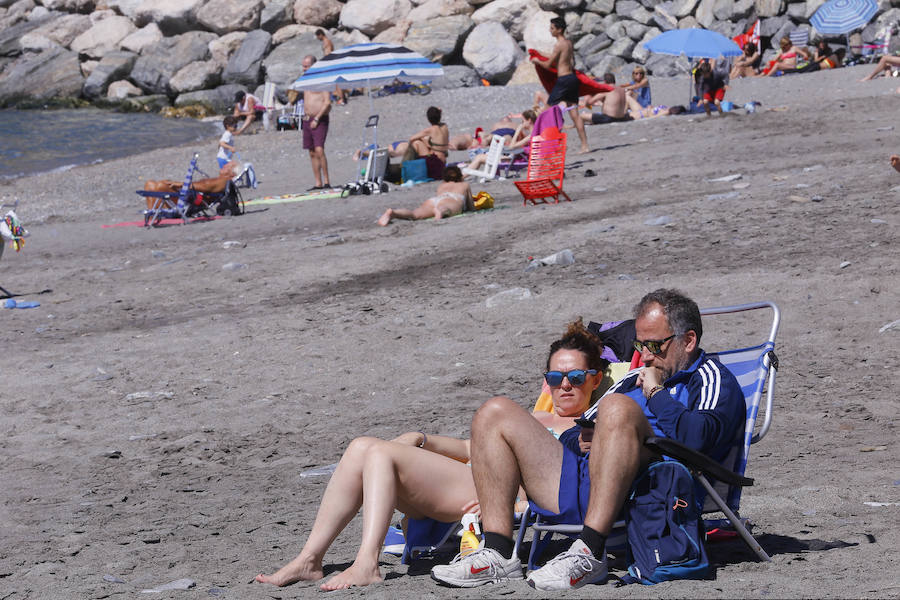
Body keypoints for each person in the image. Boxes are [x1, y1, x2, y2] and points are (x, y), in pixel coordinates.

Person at [254, 321, 608, 591]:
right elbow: (476, 450)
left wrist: (514, 506)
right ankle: (309, 559)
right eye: (555, 376)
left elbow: (555, 483)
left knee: (379, 453)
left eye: (576, 377)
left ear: (595, 379)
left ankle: (367, 563)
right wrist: (423, 439)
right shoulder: (530, 419)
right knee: (362, 445)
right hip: (472, 475)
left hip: (488, 492)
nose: (564, 385)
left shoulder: (591, 428)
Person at [430, 289, 746, 591]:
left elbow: (697, 440)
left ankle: (590, 552)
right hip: (583, 479)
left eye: (654, 346)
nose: (645, 356)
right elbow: (572, 431)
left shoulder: (709, 378)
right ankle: (498, 552)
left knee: (617, 408)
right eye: (639, 346)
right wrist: (581, 441)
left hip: (640, 491)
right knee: (494, 411)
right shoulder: (629, 381)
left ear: (687, 340)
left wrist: (655, 393)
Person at [530, 16, 590, 153]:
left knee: (545, 112)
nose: (550, 30)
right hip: (572, 79)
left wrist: (537, 61)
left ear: (559, 29)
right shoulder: (568, 43)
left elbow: (548, 64)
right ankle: (585, 146)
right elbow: (559, 58)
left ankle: (546, 145)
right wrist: (539, 53)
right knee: (574, 113)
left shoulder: (558, 45)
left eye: (552, 28)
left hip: (563, 81)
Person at [377, 165, 474, 225]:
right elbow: (471, 207)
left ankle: (393, 213)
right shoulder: (464, 185)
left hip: (434, 200)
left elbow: (440, 198)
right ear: (460, 176)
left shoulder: (442, 185)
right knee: (446, 208)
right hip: (452, 199)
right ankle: (440, 211)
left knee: (415, 214)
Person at [299, 55, 333, 190]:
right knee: (311, 151)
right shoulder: (306, 80)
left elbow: (327, 102)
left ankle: (327, 181)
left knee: (319, 149)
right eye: (303, 66)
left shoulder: (322, 80)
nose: (304, 68)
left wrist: (317, 118)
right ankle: (317, 182)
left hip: (319, 119)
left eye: (306, 66)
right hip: (307, 119)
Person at [402, 106, 449, 181]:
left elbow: (411, 138)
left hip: (435, 162)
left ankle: (406, 167)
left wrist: (421, 139)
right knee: (423, 142)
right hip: (443, 160)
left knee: (416, 143)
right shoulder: (444, 126)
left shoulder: (430, 130)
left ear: (428, 119)